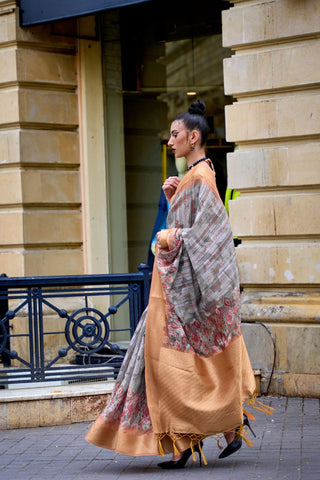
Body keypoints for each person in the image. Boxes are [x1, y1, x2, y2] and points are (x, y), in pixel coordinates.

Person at [85, 100, 270, 469]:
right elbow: (193, 225)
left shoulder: (201, 177)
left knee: (169, 366)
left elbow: (212, 236)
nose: (170, 141)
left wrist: (167, 237)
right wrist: (173, 201)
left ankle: (199, 437)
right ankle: (218, 429)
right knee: (178, 365)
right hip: (171, 290)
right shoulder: (193, 176)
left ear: (193, 136)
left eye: (175, 134)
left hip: (177, 294)